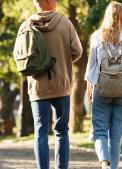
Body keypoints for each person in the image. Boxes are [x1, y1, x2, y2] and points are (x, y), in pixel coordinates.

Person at [14, 0, 83, 168]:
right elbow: (78, 51)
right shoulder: (65, 23)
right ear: (49, 2)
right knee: (61, 132)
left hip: (37, 87)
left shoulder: (25, 26)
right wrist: (63, 63)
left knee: (40, 133)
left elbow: (18, 57)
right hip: (61, 84)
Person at [84, 2, 122, 169]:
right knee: (116, 136)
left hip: (101, 90)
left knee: (99, 131)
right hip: (121, 92)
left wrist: (89, 86)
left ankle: (104, 163)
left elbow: (91, 67)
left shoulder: (96, 37)